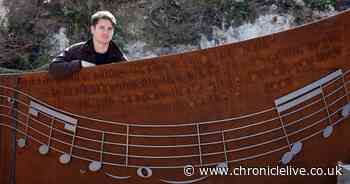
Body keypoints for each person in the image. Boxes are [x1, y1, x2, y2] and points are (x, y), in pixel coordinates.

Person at [48, 10, 127, 79]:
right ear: (93, 29)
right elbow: (53, 68)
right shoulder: (76, 50)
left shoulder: (118, 56)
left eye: (110, 29)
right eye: (102, 28)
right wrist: (80, 64)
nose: (106, 32)